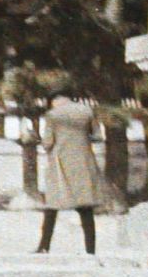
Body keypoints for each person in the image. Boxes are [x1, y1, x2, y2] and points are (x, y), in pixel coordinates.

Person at [35, 95, 106, 254]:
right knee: (85, 208)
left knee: (52, 206)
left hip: (60, 163)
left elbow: (48, 142)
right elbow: (97, 136)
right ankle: (90, 250)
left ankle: (44, 246)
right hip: (84, 162)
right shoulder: (87, 111)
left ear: (54, 101)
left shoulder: (53, 115)